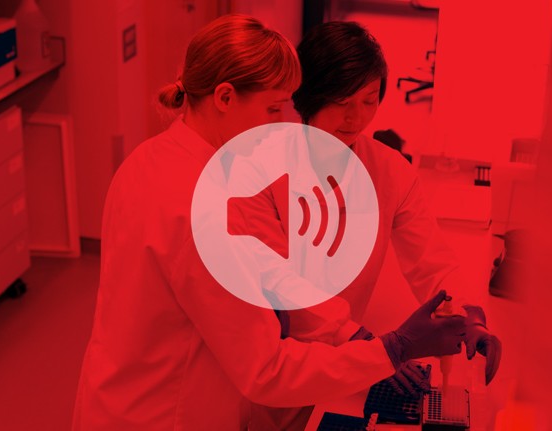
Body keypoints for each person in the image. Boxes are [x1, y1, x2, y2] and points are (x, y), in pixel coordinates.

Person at [72, 15, 466, 431]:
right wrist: (390, 350)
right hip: (168, 414)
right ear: (225, 97)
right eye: (273, 108)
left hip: (116, 401)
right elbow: (265, 369)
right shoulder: (210, 209)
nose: (282, 124)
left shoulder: (147, 159)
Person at [238, 21, 503, 430]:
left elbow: (431, 261)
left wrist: (469, 315)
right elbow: (285, 293)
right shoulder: (263, 173)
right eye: (342, 101)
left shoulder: (388, 171)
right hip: (274, 363)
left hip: (344, 365)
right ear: (307, 97)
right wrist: (375, 347)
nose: (355, 117)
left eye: (368, 100)